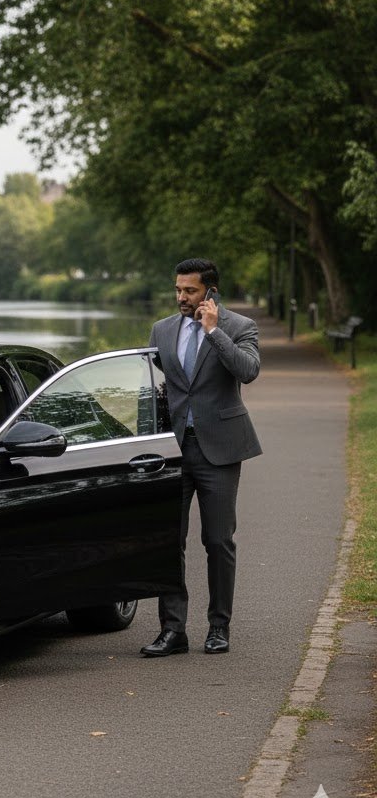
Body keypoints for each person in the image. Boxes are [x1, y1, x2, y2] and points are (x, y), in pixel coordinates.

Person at [141, 258, 262, 658]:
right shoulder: (161, 329)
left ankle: (218, 627)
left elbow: (248, 371)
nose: (181, 298)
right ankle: (173, 631)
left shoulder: (239, 327)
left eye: (189, 291)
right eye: (178, 290)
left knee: (218, 540)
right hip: (172, 451)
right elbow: (154, 389)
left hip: (220, 448)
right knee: (166, 540)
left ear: (210, 292)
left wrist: (213, 333)